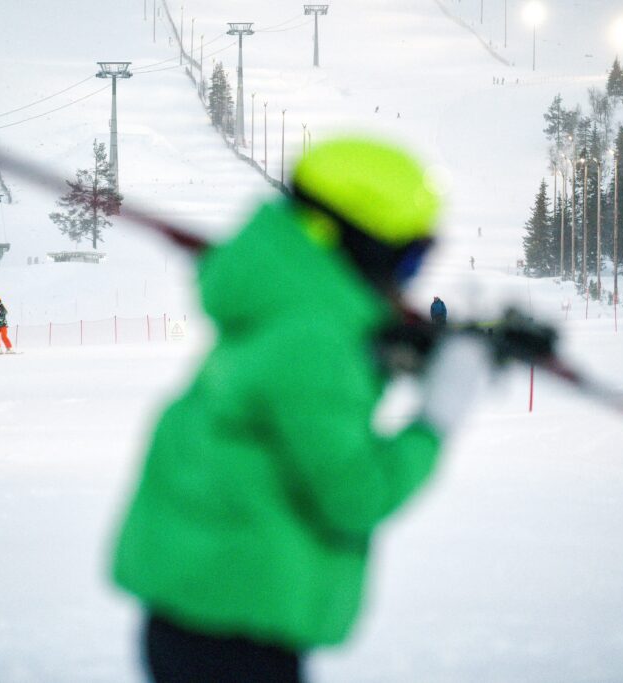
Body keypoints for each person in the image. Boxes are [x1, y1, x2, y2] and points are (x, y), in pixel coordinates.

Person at [110, 137, 487, 682]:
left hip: (202, 602)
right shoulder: (314, 338)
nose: (409, 277)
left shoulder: (285, 306)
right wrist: (435, 420)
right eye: (411, 256)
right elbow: (356, 494)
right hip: (236, 626)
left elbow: (294, 423)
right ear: (363, 243)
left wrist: (378, 362)